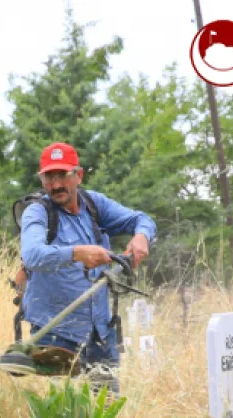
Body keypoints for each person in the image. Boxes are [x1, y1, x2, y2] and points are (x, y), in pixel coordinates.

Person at [16, 142, 156, 396]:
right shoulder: (37, 213)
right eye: (49, 177)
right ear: (42, 179)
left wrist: (141, 237)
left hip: (100, 331)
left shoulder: (94, 204)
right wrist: (77, 253)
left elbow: (141, 219)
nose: (56, 185)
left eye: (63, 176)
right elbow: (33, 255)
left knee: (106, 408)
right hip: (55, 333)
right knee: (61, 417)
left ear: (78, 175)